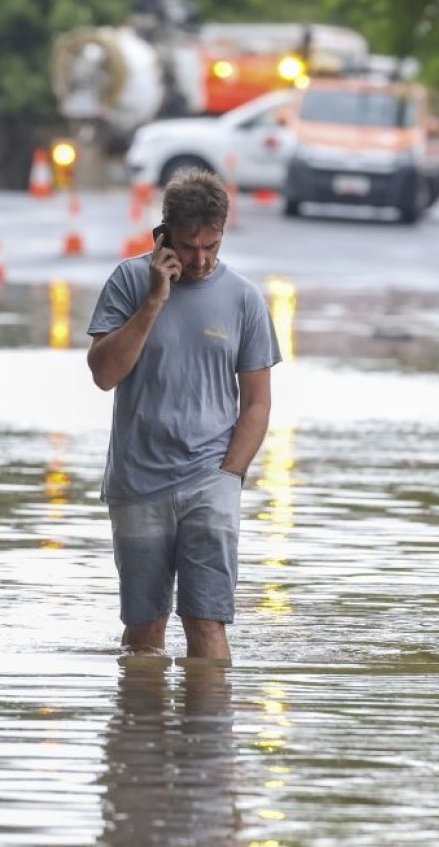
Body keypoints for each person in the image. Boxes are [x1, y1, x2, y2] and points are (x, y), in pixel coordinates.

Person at [87, 168, 281, 660]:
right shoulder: (129, 282)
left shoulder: (244, 299)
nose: (199, 260)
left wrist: (230, 473)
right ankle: (142, 727)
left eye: (210, 247)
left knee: (208, 622)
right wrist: (154, 300)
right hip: (139, 481)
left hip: (211, 479)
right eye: (189, 246)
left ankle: (210, 734)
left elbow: (257, 401)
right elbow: (105, 374)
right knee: (144, 631)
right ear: (165, 233)